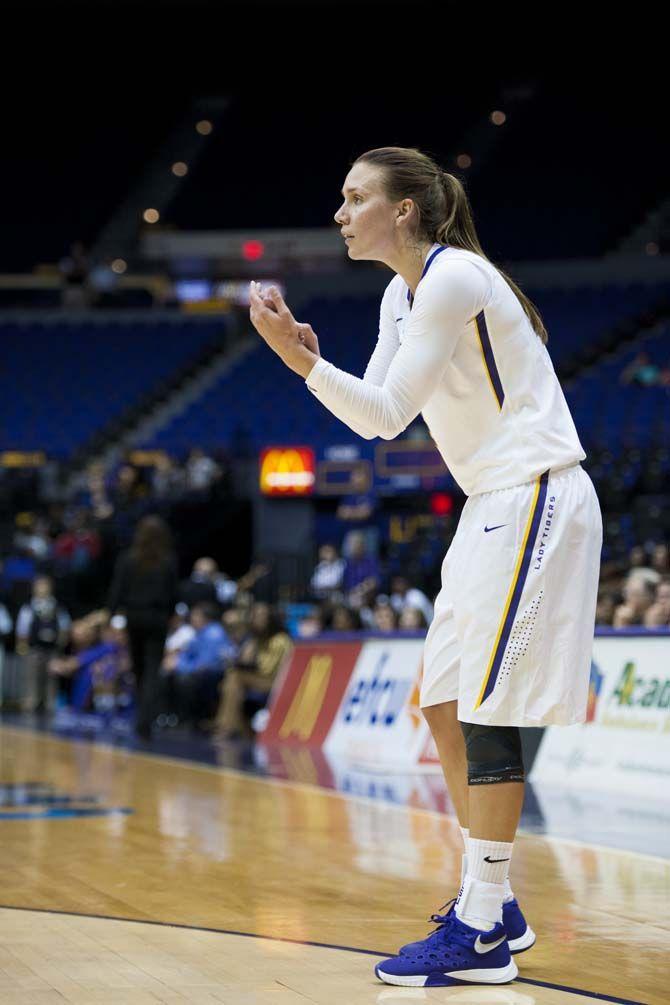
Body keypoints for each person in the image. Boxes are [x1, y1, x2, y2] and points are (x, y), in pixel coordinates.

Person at [248, 146, 603, 988]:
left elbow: (390, 407)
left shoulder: (452, 278)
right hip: (490, 505)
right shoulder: (396, 293)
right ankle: (499, 904)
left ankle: (481, 918)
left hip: (535, 492)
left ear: (404, 210)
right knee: (440, 703)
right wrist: (311, 359)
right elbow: (373, 418)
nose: (340, 212)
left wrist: (298, 362)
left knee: (482, 708)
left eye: (355, 196)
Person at [105, 515, 179, 740]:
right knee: (152, 671)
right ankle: (145, 721)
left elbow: (116, 591)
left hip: (135, 618)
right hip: (157, 619)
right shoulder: (168, 561)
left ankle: (142, 718)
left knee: (139, 670)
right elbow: (173, 595)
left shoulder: (129, 559)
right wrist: (170, 615)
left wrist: (110, 615)